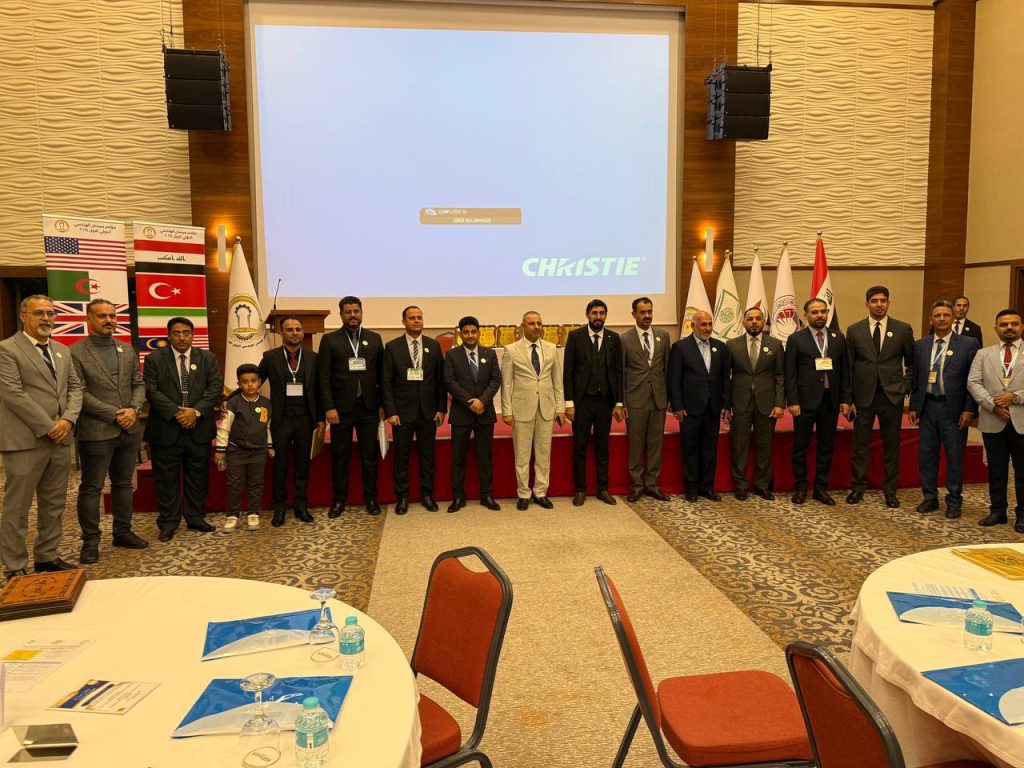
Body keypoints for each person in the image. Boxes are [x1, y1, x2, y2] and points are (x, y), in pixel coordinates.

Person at [0, 295, 82, 579]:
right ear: (23, 316)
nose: (46, 318)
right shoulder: (6, 349)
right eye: (39, 313)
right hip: (25, 441)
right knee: (17, 507)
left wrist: (68, 420)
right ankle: (14, 565)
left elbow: (75, 388)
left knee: (54, 504)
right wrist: (49, 426)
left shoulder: (62, 350)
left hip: (61, 439)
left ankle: (47, 556)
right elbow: (12, 394)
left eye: (50, 313)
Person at [70, 298, 148, 564]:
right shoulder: (75, 352)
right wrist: (115, 414)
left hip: (129, 429)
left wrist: (134, 409)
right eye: (102, 316)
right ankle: (90, 542)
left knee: (124, 483)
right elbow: (79, 392)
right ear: (89, 320)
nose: (109, 320)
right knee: (92, 488)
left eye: (112, 316)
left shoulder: (126, 349)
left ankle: (122, 532)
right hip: (96, 431)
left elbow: (138, 384)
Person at [143, 316, 222, 542]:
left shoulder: (207, 358)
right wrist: (178, 413)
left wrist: (194, 412)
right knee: (166, 479)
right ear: (169, 336)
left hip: (198, 428)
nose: (181, 337)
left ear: (192, 335)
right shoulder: (154, 359)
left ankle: (195, 517)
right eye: (176, 333)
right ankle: (168, 522)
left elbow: (215, 388)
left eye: (186, 332)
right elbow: (151, 390)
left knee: (198, 477)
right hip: (166, 429)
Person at [844, 286, 915, 508]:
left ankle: (890, 491)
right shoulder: (854, 330)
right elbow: (848, 367)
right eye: (874, 301)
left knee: (891, 446)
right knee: (860, 446)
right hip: (863, 397)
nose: (879, 305)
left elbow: (912, 364)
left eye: (883, 301)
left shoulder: (902, 329)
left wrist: (903, 388)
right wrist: (848, 399)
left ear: (888, 303)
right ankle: (858, 488)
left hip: (891, 397)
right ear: (867, 304)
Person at [909, 300, 979, 518]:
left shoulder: (968, 344)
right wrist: (913, 406)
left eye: (946, 315)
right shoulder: (921, 345)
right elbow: (916, 378)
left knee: (954, 456)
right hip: (928, 407)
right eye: (937, 315)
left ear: (953, 318)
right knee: (927, 456)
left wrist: (969, 409)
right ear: (930, 319)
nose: (941, 319)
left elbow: (974, 379)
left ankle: (954, 500)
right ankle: (930, 497)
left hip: (954, 409)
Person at [318, 296, 384, 517]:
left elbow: (382, 375)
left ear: (361, 313)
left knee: (369, 456)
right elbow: (323, 377)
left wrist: (382, 404)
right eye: (348, 312)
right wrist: (329, 407)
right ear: (341, 315)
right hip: (341, 410)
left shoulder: (374, 339)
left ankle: (371, 498)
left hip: (369, 408)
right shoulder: (330, 340)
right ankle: (339, 500)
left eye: (356, 311)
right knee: (340, 456)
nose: (352, 315)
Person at [382, 306, 447, 515]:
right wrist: (391, 411)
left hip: (428, 412)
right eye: (412, 318)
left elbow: (440, 380)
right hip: (402, 413)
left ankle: (427, 495)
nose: (417, 321)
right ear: (404, 322)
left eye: (420, 317)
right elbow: (386, 382)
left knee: (428, 456)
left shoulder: (433, 346)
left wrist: (441, 408)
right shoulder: (392, 347)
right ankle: (402, 497)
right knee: (401, 457)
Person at [784, 298, 849, 505]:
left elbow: (845, 371)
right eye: (815, 312)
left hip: (830, 401)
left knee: (826, 447)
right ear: (806, 315)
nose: (820, 315)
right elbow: (790, 373)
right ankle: (801, 487)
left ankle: (821, 488)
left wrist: (846, 399)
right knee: (800, 446)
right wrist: (792, 400)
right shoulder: (796, 339)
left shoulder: (838, 338)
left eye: (823, 311)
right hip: (804, 402)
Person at [500, 311, 565, 510]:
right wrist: (507, 410)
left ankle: (540, 492)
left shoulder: (551, 348)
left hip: (546, 407)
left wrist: (560, 407)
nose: (536, 327)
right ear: (522, 326)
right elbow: (506, 384)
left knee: (544, 453)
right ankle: (523, 493)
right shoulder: (511, 350)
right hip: (521, 408)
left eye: (539, 323)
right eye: (531, 323)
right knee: (522, 454)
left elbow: (557, 381)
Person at [259, 316, 320, 526]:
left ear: (302, 333)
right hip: (281, 419)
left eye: (298, 329)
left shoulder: (313, 358)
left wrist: (320, 418)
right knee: (281, 465)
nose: (295, 333)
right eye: (290, 329)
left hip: (306, 419)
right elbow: (254, 381)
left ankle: (301, 505)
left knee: (303, 464)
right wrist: (230, 399)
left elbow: (321, 389)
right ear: (280, 333)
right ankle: (280, 507)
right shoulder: (270, 357)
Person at [967, 309, 1024, 532]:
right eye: (1003, 324)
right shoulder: (983, 354)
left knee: (1022, 472)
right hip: (993, 419)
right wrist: (993, 405)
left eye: (1014, 324)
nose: (1009, 328)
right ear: (996, 328)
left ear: (1021, 327)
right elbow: (973, 382)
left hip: (1021, 421)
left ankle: (1022, 515)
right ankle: (997, 511)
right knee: (996, 469)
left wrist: (1015, 397)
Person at [563, 299, 625, 506]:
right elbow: (568, 371)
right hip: (582, 402)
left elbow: (618, 372)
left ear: (605, 315)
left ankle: (603, 489)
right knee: (579, 447)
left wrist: (619, 402)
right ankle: (580, 489)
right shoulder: (575, 336)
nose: (598, 317)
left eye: (602, 313)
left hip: (605, 402)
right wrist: (569, 402)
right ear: (587, 315)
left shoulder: (613, 338)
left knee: (602, 448)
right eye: (594, 313)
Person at [668, 311, 730, 502]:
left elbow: (725, 379)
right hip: (689, 408)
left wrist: (725, 404)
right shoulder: (680, 347)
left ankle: (707, 487)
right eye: (703, 324)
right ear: (693, 326)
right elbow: (674, 379)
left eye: (710, 324)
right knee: (690, 449)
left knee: (710, 449)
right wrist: (677, 406)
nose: (707, 328)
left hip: (713, 407)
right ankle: (691, 488)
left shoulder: (721, 347)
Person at [443, 316, 502, 512]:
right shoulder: (452, 355)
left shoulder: (489, 354)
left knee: (485, 458)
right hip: (461, 413)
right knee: (458, 458)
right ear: (460, 334)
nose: (470, 335)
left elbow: (496, 380)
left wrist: (481, 401)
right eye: (466, 332)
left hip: (485, 413)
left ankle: (487, 495)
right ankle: (458, 497)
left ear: (479, 333)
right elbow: (449, 382)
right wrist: (471, 402)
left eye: (473, 332)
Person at [725, 307, 785, 500]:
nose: (754, 322)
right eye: (750, 319)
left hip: (766, 403)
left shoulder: (775, 345)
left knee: (764, 446)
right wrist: (726, 405)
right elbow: (725, 378)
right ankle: (741, 485)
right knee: (739, 446)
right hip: (739, 402)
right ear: (743, 322)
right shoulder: (732, 345)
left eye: (758, 318)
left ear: (763, 322)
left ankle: (762, 485)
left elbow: (780, 376)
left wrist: (779, 404)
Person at [620, 297, 671, 503]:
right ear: (634, 314)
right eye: (642, 312)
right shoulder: (624, 339)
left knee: (656, 444)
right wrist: (622, 402)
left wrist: (669, 398)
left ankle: (652, 484)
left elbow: (667, 369)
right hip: (635, 399)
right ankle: (637, 485)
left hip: (658, 399)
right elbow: (621, 372)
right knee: (636, 445)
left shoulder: (663, 336)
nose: (647, 316)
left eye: (650, 311)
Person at [215, 364, 274, 530]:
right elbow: (224, 428)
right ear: (239, 384)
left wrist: (269, 446)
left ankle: (253, 513)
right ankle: (232, 514)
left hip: (259, 451)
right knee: (235, 484)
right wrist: (220, 450)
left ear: (259, 382)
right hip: (237, 451)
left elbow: (268, 427)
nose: (250, 385)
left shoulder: (266, 403)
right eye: (245, 382)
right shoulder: (233, 403)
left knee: (256, 483)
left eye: (253, 381)